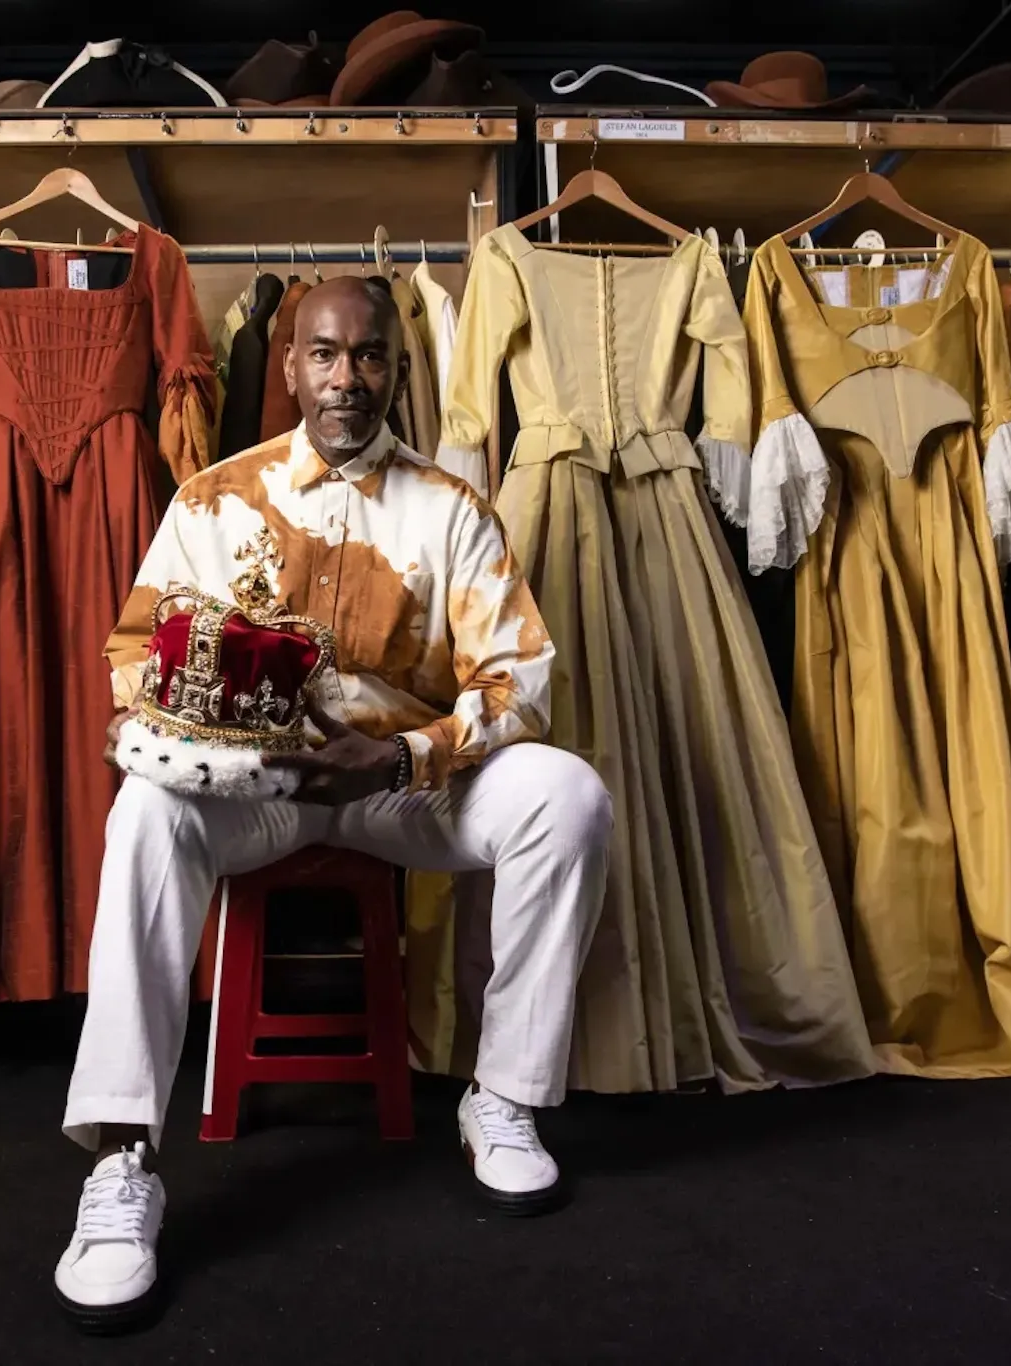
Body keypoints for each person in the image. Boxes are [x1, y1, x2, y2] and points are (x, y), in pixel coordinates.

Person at [55, 276, 613, 1330]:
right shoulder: (213, 499)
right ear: (288, 366)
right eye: (322, 355)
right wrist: (215, 724)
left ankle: (503, 1099)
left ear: (398, 370)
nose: (344, 379)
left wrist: (404, 751)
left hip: (400, 791)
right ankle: (121, 1162)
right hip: (255, 791)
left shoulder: (453, 509)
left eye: (366, 357)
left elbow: (519, 681)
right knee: (141, 810)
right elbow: (132, 657)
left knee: (568, 796)